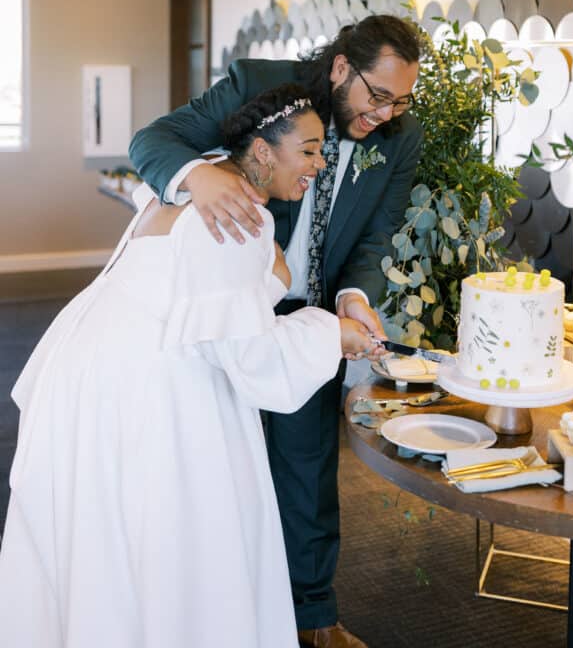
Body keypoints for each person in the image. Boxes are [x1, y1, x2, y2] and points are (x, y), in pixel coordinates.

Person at [0, 86, 374, 648]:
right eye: (310, 150)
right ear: (266, 152)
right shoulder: (236, 213)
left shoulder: (188, 186)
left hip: (89, 373)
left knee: (102, 538)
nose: (320, 165)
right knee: (174, 540)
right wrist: (332, 333)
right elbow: (252, 358)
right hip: (150, 392)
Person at [129, 14, 423, 648]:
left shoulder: (398, 136)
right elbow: (153, 141)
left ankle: (313, 621)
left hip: (311, 318)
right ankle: (217, 617)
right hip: (228, 305)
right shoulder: (261, 86)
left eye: (402, 101)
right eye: (378, 96)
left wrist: (353, 297)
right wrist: (199, 177)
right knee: (215, 464)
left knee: (308, 470)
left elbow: (375, 236)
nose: (386, 114)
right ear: (343, 66)